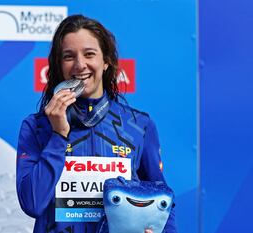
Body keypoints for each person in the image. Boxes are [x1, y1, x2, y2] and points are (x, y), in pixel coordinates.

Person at [16, 14, 176, 233]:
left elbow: (163, 200)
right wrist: (58, 135)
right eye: (69, 56)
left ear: (106, 61)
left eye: (89, 54)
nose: (80, 65)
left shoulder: (139, 125)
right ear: (58, 65)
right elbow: (32, 204)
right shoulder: (36, 126)